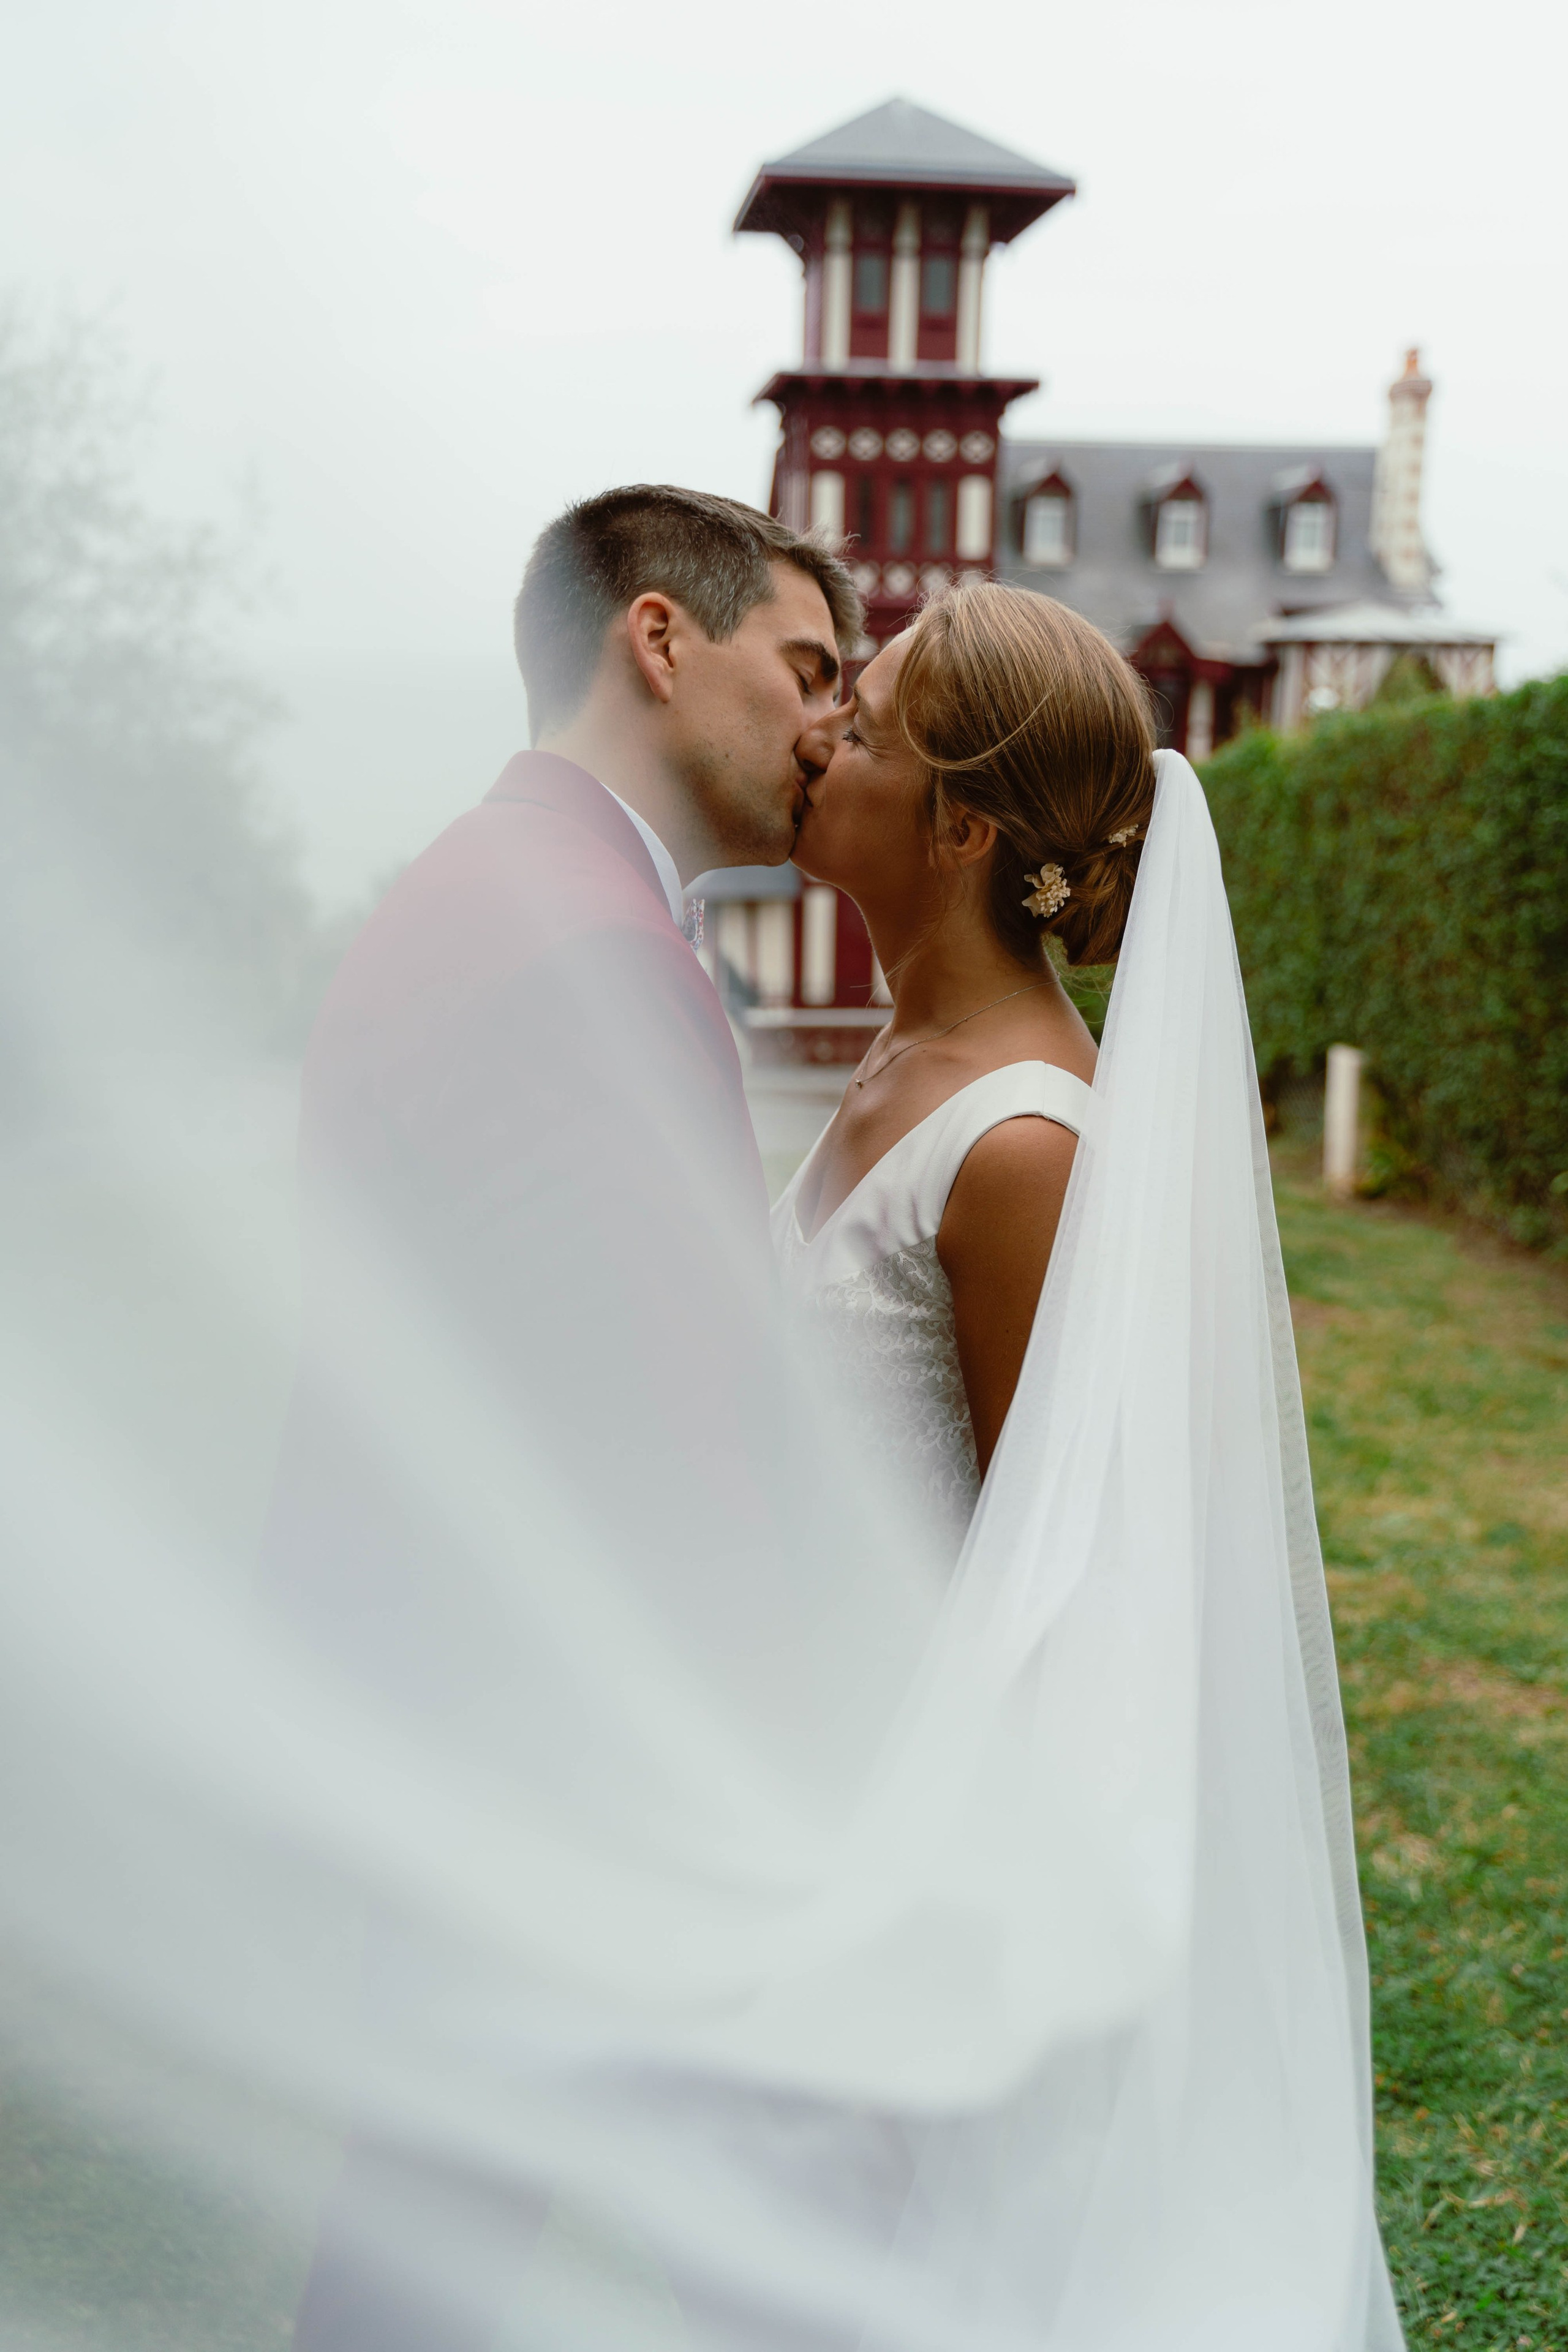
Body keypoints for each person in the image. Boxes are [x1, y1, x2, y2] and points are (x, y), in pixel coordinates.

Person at [267, 484, 865, 2350]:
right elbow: (664, 1444)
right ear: (661, 642)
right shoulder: (597, 946)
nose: (834, 724)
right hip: (570, 1762)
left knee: (430, 2233)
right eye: (810, 666)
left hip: (465, 1717)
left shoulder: (486, 880)